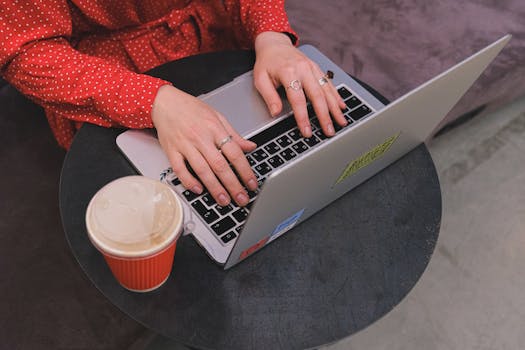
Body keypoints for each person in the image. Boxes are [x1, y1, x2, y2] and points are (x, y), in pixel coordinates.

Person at [0, 0, 346, 207]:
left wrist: (272, 37)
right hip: (109, 77)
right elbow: (25, 50)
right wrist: (151, 101)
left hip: (215, 35)